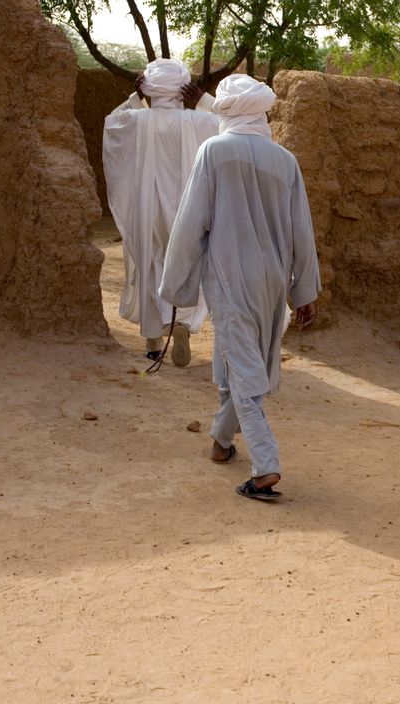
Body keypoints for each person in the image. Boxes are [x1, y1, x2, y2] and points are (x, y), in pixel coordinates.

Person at [160, 74, 320, 501]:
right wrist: (304, 291)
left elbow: (191, 222)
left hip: (230, 275)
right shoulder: (284, 160)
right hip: (273, 278)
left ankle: (265, 464)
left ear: (227, 110)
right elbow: (301, 230)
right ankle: (221, 441)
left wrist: (177, 287)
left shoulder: (214, 151)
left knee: (244, 365)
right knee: (244, 359)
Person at [103, 58, 218, 366]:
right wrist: (204, 101)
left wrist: (135, 98)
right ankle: (181, 324)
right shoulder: (200, 122)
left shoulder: (137, 120)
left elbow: (113, 123)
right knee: (186, 265)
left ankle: (155, 343)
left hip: (148, 210)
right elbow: (237, 125)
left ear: (150, 88)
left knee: (150, 264)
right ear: (185, 90)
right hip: (188, 211)